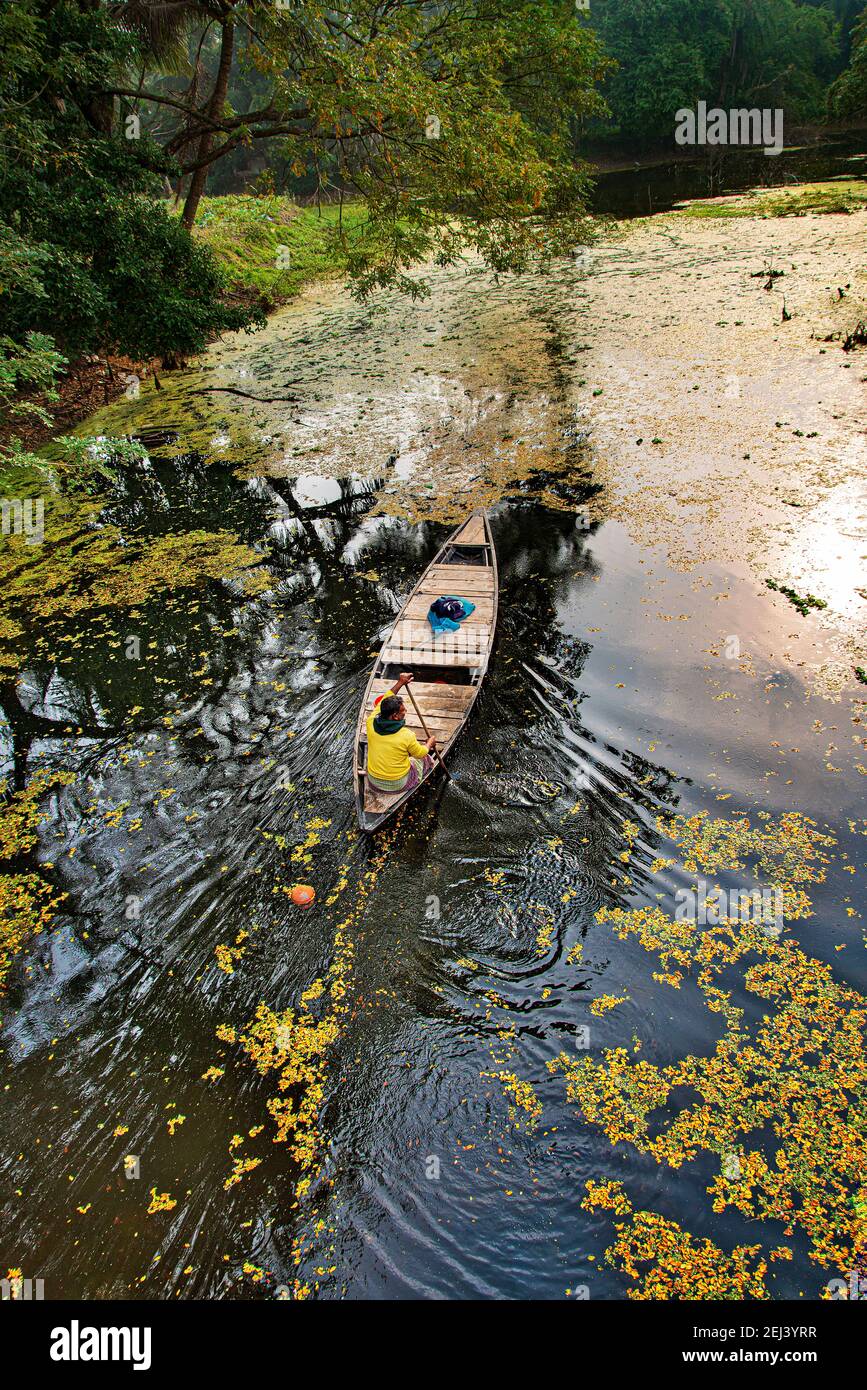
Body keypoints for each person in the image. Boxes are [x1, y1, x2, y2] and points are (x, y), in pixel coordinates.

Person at [366, 672, 437, 794]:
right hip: (398, 784)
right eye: (403, 710)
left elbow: (385, 698)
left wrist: (400, 682)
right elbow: (420, 753)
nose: (406, 711)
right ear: (395, 716)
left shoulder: (371, 722)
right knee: (424, 759)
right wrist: (429, 744)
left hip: (373, 783)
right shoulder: (406, 735)